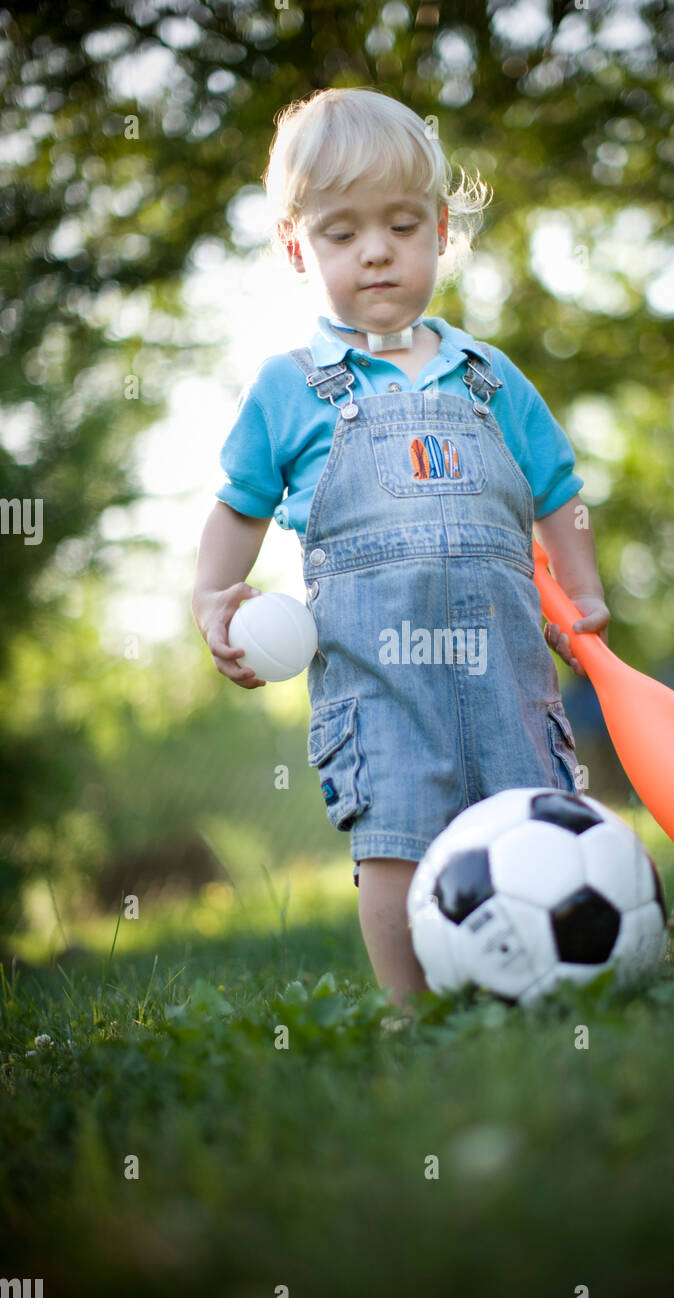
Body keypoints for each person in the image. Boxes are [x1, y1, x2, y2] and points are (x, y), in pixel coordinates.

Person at [191, 88, 609, 1014]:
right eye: (342, 233)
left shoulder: (491, 378)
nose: (376, 250)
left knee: (534, 825)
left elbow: (559, 494)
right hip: (376, 684)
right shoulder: (290, 390)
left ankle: (544, 986)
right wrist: (215, 597)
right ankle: (410, 1008)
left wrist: (580, 594)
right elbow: (236, 506)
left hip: (510, 672)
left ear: (442, 231)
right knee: (394, 840)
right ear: (298, 250)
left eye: (401, 225)